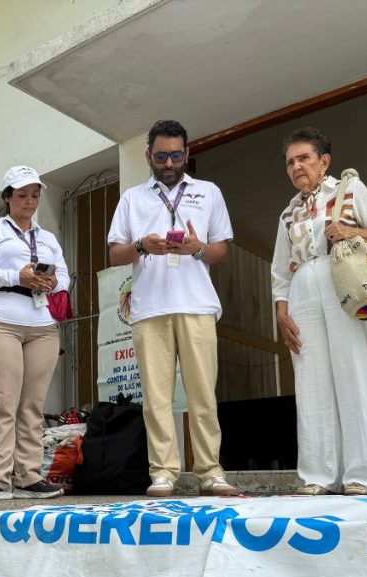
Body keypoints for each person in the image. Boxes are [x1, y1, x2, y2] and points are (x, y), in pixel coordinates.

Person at [107, 119, 239, 498]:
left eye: (176, 155)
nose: (168, 163)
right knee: (156, 397)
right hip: (148, 308)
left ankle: (210, 472)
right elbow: (116, 253)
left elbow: (221, 250)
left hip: (196, 305)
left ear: (187, 153)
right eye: (161, 156)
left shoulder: (208, 191)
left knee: (202, 393)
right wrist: (143, 246)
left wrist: (195, 248)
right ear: (148, 156)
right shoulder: (132, 198)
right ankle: (163, 472)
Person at [271, 126, 367, 497]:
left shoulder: (350, 189)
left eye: (303, 158)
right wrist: (282, 312)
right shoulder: (287, 213)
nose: (296, 167)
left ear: (323, 161)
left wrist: (350, 232)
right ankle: (318, 475)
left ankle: (361, 475)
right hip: (301, 292)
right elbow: (280, 271)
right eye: (290, 162)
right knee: (310, 381)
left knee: (356, 373)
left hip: (347, 283)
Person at [0, 165, 69, 501]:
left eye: (35, 195)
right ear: (7, 197)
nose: (29, 201)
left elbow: (65, 276)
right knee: (3, 401)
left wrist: (52, 282)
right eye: (22, 195)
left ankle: (28, 476)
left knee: (32, 405)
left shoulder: (48, 238)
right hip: (0, 319)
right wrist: (17, 276)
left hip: (42, 324)